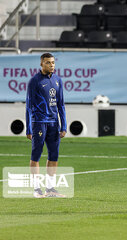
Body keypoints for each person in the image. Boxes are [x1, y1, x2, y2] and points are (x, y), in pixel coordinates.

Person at [26, 53, 67, 198]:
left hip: (54, 124)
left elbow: (61, 104)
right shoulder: (34, 81)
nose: (52, 65)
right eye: (48, 63)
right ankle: (36, 189)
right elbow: (29, 106)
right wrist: (28, 128)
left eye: (53, 63)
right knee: (36, 155)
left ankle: (50, 189)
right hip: (39, 123)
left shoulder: (57, 80)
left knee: (54, 156)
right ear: (41, 64)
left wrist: (64, 125)